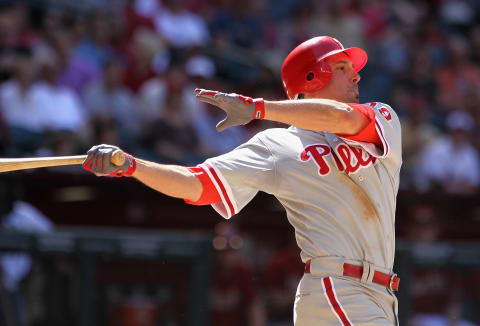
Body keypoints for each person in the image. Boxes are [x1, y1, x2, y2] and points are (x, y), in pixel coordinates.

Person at [82, 36, 402, 325]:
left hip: (382, 293)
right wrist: (132, 165)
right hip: (338, 287)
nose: (356, 75)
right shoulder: (276, 145)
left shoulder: (383, 117)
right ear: (312, 76)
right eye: (343, 66)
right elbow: (197, 183)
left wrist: (257, 108)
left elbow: (341, 118)